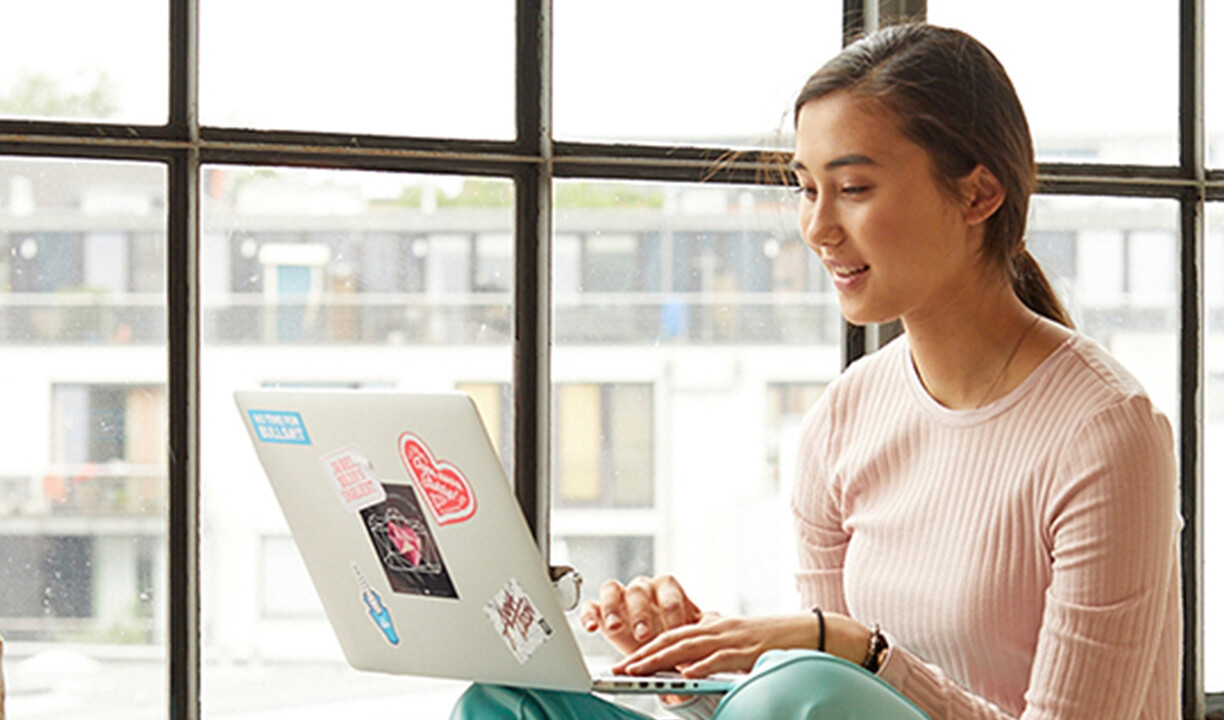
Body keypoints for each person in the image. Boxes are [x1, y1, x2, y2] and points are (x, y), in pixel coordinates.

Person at [454, 21, 1180, 720]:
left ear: (978, 195)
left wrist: (856, 652)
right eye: (806, 188)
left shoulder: (1105, 431)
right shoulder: (847, 416)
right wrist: (698, 665)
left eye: (854, 188)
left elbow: (833, 685)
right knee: (507, 701)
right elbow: (819, 695)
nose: (817, 227)